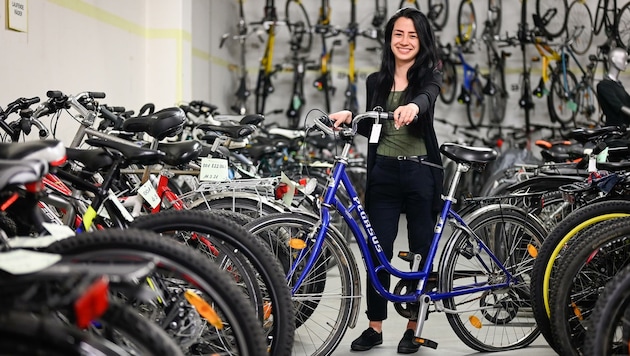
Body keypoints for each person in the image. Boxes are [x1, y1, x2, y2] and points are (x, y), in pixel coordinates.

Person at [329, 7, 443, 354]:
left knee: (421, 252)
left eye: (412, 35)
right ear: (389, 38)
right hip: (385, 175)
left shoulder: (430, 75)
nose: (405, 41)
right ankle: (374, 327)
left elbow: (427, 98)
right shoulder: (375, 82)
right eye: (398, 34)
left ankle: (413, 329)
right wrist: (351, 118)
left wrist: (415, 107)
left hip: (421, 171)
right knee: (377, 252)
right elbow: (375, 128)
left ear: (421, 40)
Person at [597, 47, 630, 127]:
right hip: (615, 132)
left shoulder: (618, 85)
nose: (626, 63)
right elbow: (619, 106)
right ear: (614, 60)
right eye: (624, 60)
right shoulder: (603, 86)